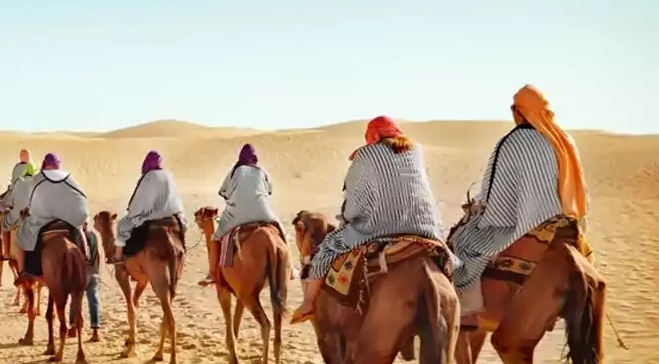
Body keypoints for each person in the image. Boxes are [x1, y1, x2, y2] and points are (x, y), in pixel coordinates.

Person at [450, 84, 587, 320]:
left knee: (461, 244)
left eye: (514, 108)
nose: (512, 113)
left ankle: (466, 307)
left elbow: (495, 191)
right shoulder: (565, 141)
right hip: (567, 222)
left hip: (521, 223)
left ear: (521, 112)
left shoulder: (514, 141)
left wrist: (480, 208)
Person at [294, 116, 447, 321]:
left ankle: (308, 304)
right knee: (453, 259)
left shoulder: (366, 154)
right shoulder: (415, 150)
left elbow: (354, 199)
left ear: (372, 136)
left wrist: (348, 218)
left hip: (380, 228)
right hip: (427, 228)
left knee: (328, 247)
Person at [208, 143, 281, 286]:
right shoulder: (262, 171)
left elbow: (224, 193)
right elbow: (269, 191)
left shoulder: (236, 171)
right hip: (263, 212)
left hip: (237, 214)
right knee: (281, 231)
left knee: (217, 237)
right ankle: (289, 267)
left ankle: (212, 273)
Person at [18, 153, 90, 276]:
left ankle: (23, 271)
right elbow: (82, 196)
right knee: (82, 231)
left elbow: (28, 198)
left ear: (44, 164)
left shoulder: (37, 178)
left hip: (44, 218)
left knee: (22, 235)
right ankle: (86, 258)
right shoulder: (68, 177)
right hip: (69, 218)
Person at [114, 151, 186, 262]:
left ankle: (118, 256)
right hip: (174, 215)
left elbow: (141, 201)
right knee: (181, 229)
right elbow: (175, 198)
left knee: (123, 224)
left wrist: (132, 211)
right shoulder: (168, 175)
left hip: (153, 216)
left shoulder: (149, 176)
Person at [0, 150, 38, 232]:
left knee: (1, 205)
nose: (21, 156)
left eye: (23, 154)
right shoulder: (32, 166)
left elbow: (15, 182)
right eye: (20, 154)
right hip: (31, 196)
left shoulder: (23, 170)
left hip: (17, 192)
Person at [85, 225, 103, 341]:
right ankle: (95, 330)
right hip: (93, 271)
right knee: (94, 299)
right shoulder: (93, 235)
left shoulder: (74, 236)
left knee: (74, 299)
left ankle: (72, 327)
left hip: (80, 272)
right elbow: (97, 255)